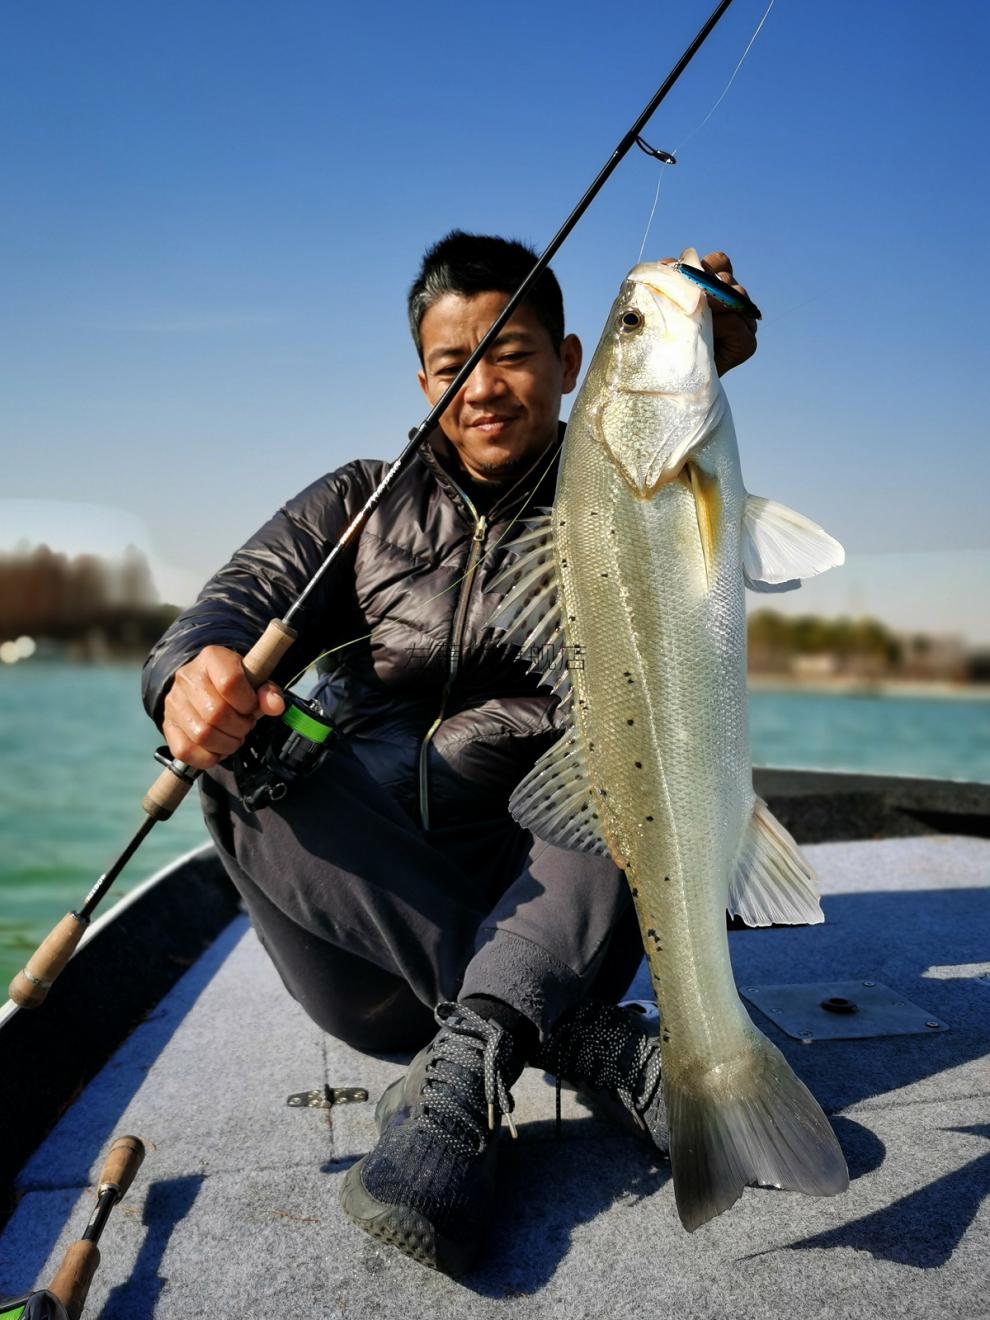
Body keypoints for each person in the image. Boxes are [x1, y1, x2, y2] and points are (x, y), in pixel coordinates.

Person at [141, 231, 757, 1276]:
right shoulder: (355, 506)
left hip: (568, 895)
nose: (482, 386)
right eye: (450, 364)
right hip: (379, 942)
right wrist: (191, 676)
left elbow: (680, 459)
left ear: (571, 362)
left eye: (511, 352)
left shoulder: (623, 483)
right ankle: (571, 1039)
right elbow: (222, 611)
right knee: (246, 752)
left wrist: (700, 338)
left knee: (633, 743)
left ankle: (473, 1061)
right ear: (422, 380)